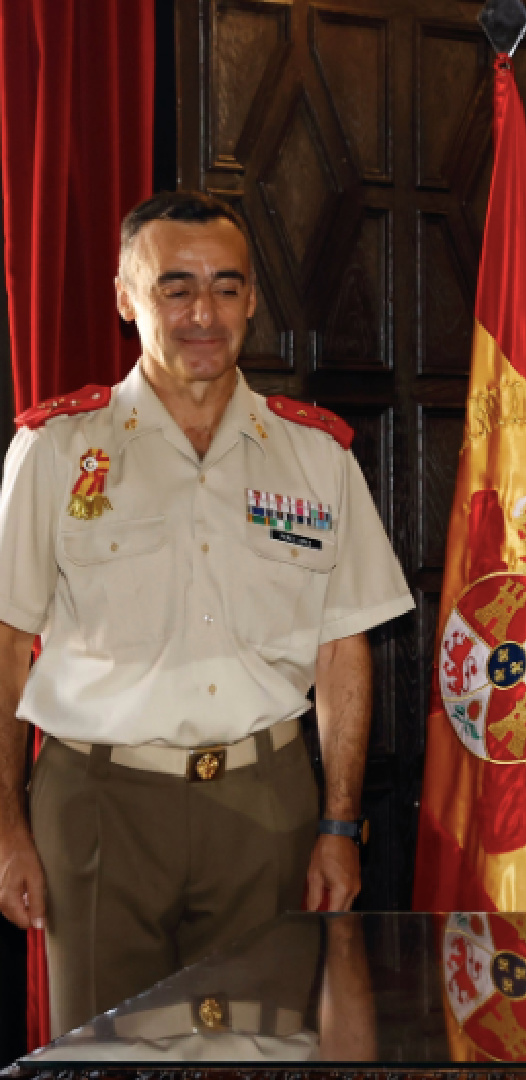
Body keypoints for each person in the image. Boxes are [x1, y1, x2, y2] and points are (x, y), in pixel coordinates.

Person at [0, 190, 414, 1033]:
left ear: (253, 299)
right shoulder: (56, 450)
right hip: (100, 806)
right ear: (125, 296)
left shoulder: (314, 456)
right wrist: (5, 825)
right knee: (102, 1051)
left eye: (226, 286)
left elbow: (343, 652)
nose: (203, 312)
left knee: (261, 1048)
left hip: (264, 809)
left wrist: (340, 825)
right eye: (174, 286)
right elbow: (7, 644)